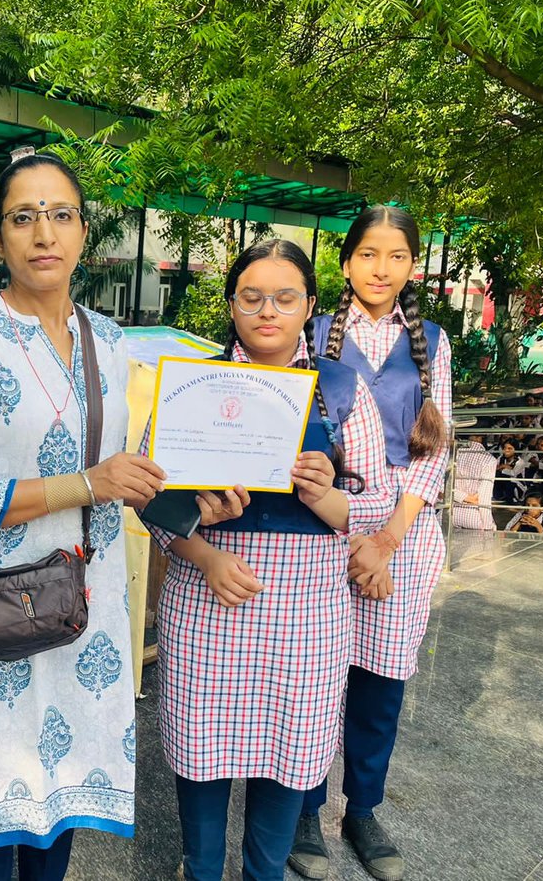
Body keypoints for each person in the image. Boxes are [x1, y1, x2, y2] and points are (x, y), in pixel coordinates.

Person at [0, 148, 166, 880]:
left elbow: (133, 467)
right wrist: (85, 483)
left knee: (62, 800)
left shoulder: (111, 341)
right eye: (24, 218)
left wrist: (197, 495)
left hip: (86, 604)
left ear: (85, 232)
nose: (43, 233)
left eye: (60, 215)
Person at [142, 240, 393, 881]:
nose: (267, 311)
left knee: (290, 754)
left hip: (308, 611)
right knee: (202, 753)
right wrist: (203, 549)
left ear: (309, 305)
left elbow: (376, 507)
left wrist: (329, 496)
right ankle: (200, 868)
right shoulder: (193, 385)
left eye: (285, 298)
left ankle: (266, 872)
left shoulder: (340, 389)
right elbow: (150, 501)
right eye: (251, 298)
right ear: (231, 305)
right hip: (208, 598)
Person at [295, 205, 452, 881]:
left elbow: (433, 455)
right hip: (326, 532)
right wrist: (356, 532)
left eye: (395, 256)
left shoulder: (435, 343)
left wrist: (386, 540)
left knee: (381, 684)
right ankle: (301, 808)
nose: (380, 268)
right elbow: (297, 435)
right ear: (345, 261)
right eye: (367, 254)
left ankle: (361, 807)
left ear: (412, 266)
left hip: (404, 541)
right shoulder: (313, 330)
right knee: (314, 681)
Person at [451, 433, 497, 531]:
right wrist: (488, 526)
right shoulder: (489, 459)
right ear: (480, 437)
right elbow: (484, 497)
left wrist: (462, 497)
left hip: (448, 513)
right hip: (475, 517)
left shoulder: (452, 455)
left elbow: (441, 487)